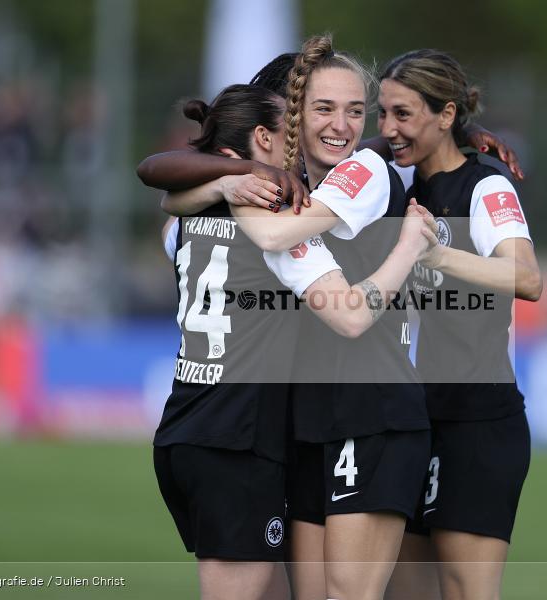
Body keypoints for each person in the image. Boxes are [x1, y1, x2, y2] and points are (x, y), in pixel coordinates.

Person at [150, 82, 434, 600]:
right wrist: (409, 247)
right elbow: (349, 316)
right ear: (263, 138)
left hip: (185, 426)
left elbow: (165, 186)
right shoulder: (273, 219)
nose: (303, 142)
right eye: (294, 127)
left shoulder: (185, 219)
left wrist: (219, 184)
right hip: (237, 434)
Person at [377, 49, 542, 600]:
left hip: (477, 420)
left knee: (466, 591)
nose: (388, 129)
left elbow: (528, 278)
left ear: (445, 115)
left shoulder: (486, 187)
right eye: (382, 113)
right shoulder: (398, 191)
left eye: (403, 114)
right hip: (413, 419)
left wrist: (437, 255)